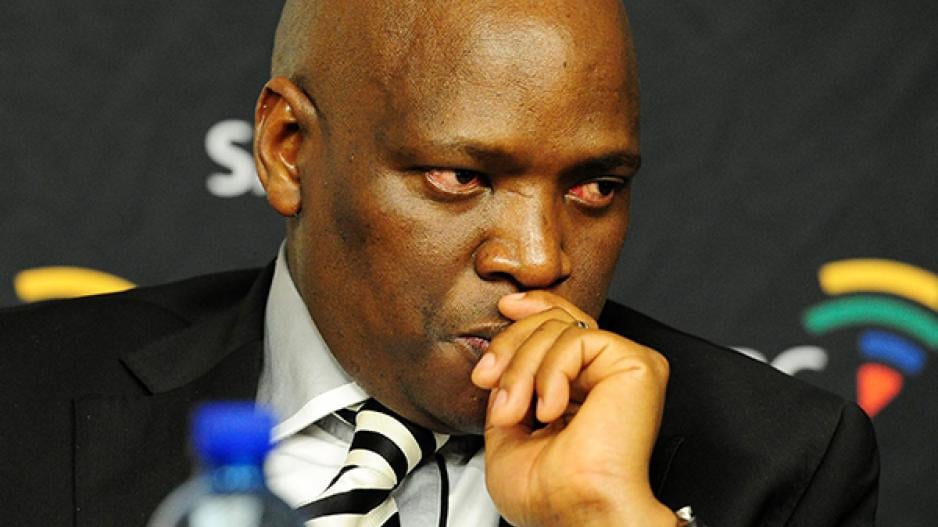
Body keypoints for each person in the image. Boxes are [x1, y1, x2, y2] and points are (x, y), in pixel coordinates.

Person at [0, 1, 878, 526]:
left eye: (595, 187)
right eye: (461, 177)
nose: (537, 257)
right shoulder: (19, 396)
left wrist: (612, 517)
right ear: (287, 148)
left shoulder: (783, 459)